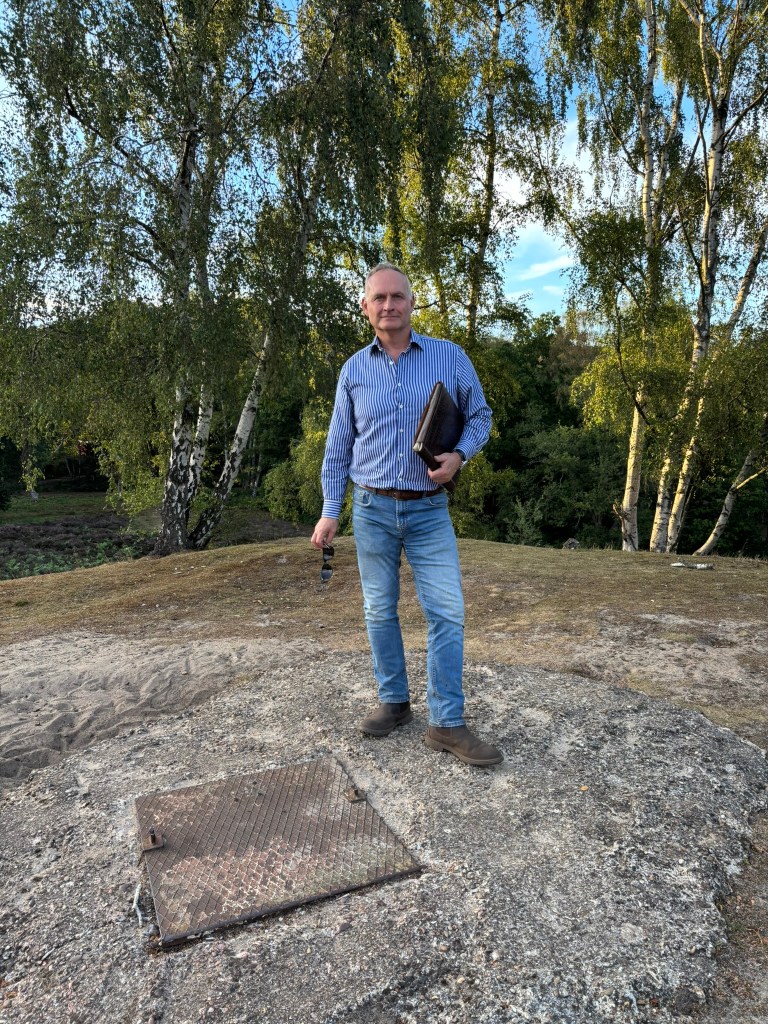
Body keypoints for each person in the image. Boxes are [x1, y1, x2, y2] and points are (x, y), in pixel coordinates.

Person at [311, 263, 503, 767]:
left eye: (398, 297)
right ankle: (394, 702)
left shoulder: (448, 356)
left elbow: (481, 415)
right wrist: (331, 512)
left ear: (412, 303)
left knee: (447, 611)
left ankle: (447, 723)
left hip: (429, 508)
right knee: (379, 609)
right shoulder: (353, 370)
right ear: (366, 307)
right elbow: (339, 447)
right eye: (379, 298)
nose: (389, 305)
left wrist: (460, 455)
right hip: (371, 508)